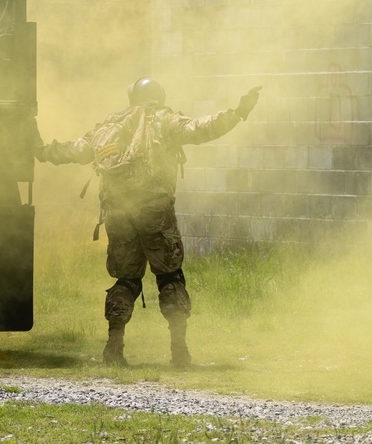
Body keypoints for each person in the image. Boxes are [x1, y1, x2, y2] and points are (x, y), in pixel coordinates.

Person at [36, 77, 261, 368]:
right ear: (158, 96)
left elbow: (75, 150)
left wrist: (42, 151)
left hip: (118, 213)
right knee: (169, 276)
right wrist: (238, 112)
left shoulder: (109, 126)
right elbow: (202, 128)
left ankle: (114, 348)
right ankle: (179, 351)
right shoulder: (164, 119)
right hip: (156, 212)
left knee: (126, 279)